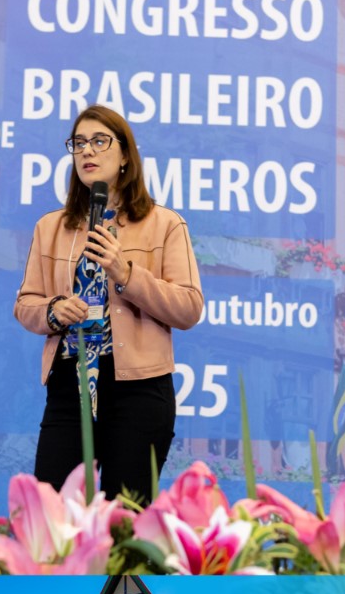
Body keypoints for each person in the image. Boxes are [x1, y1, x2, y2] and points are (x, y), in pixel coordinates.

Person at [14, 104, 203, 503]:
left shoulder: (165, 224)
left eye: (100, 141)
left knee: (126, 523)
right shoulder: (50, 227)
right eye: (79, 143)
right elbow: (26, 303)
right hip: (70, 387)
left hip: (138, 390)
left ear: (125, 156)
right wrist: (54, 311)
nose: (87, 151)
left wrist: (126, 273)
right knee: (53, 513)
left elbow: (188, 307)